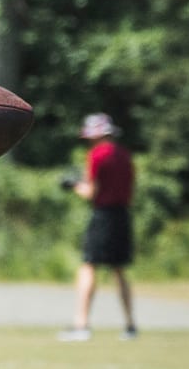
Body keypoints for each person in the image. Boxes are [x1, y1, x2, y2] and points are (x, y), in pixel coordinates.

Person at [58, 113, 136, 341]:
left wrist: (73, 185)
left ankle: (81, 324)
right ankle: (130, 326)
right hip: (123, 215)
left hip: (103, 215)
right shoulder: (125, 155)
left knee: (88, 266)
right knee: (119, 269)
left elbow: (90, 192)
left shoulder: (97, 155)